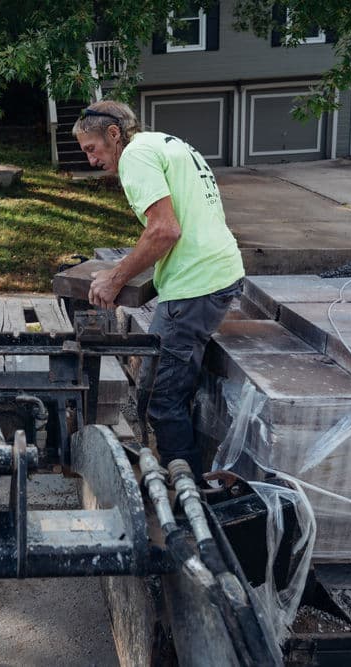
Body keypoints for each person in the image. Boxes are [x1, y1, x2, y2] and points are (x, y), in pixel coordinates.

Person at [71, 100, 244, 479]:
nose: (91, 160)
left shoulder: (135, 157)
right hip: (216, 272)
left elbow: (165, 229)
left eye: (92, 149)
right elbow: (171, 222)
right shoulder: (167, 143)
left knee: (162, 400)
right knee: (170, 387)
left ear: (113, 134)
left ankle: (186, 495)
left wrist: (115, 279)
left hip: (195, 285)